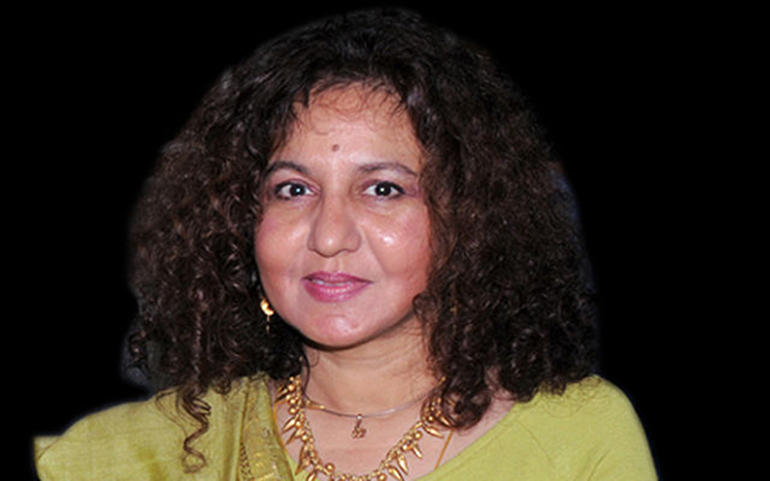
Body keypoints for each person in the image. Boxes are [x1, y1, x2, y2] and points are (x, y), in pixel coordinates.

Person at [34, 8, 657, 480]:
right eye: (293, 190)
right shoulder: (159, 450)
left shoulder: (578, 438)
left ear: (468, 218)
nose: (330, 236)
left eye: (383, 189)